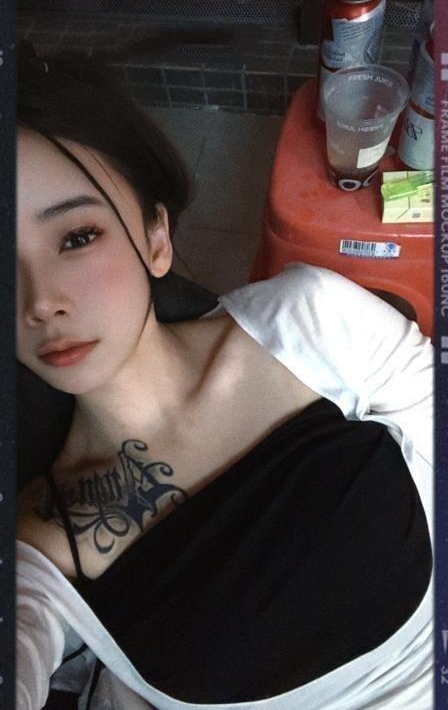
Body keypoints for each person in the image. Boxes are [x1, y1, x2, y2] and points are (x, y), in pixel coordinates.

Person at [16, 48, 433, 710]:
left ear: (156, 238)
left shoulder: (312, 323)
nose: (40, 302)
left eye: (76, 238)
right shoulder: (43, 540)